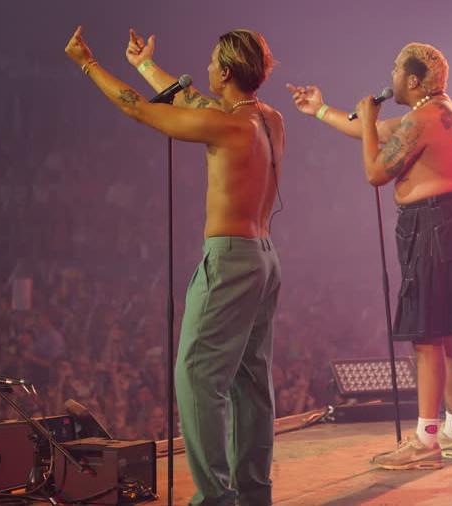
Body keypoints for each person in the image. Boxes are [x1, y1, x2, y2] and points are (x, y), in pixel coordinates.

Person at [66, 26, 283, 506]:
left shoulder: (226, 126)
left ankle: (215, 497)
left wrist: (88, 64)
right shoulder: (268, 119)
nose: (205, 69)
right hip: (263, 256)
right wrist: (144, 64)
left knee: (198, 378)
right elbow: (192, 99)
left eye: (212, 63)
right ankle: (253, 495)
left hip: (231, 259)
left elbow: (140, 109)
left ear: (226, 72)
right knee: (250, 382)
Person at [288, 43, 452, 470]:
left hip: (433, 228)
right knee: (448, 333)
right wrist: (320, 110)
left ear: (413, 80)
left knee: (427, 337)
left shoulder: (421, 120)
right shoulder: (441, 111)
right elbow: (375, 133)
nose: (390, 75)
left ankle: (425, 440)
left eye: (395, 69)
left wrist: (368, 121)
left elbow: (375, 172)